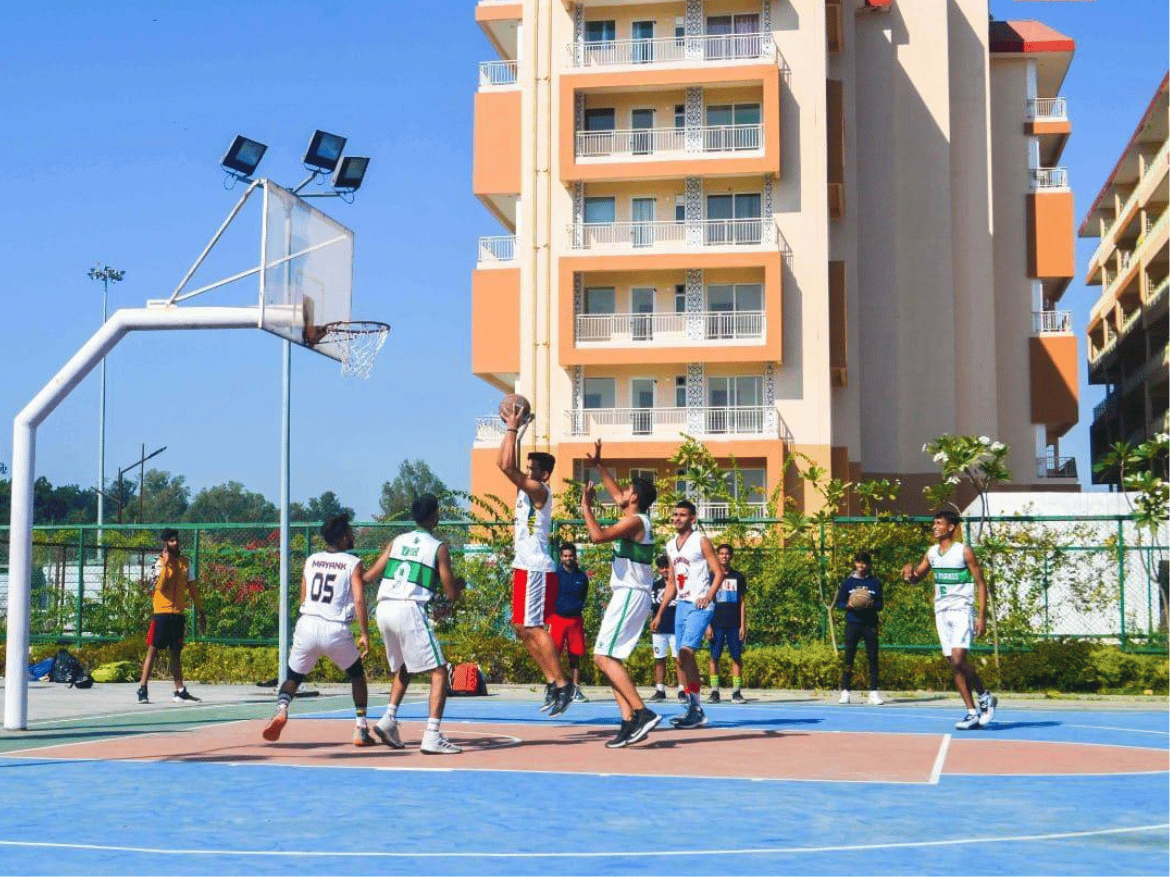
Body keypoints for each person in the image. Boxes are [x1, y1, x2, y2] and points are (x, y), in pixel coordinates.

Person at [364, 494, 466, 755]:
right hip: (409, 608)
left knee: (403, 667)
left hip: (384, 607)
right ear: (435, 515)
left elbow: (370, 575)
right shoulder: (438, 546)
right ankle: (432, 735)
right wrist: (460, 586)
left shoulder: (397, 541)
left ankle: (388, 719)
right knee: (440, 672)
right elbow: (451, 594)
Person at [262, 515, 373, 746]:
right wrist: (364, 633)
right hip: (335, 628)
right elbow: (360, 600)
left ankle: (281, 709)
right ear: (343, 537)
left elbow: (303, 595)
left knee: (293, 676)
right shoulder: (352, 562)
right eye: (350, 532)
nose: (352, 536)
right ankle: (361, 728)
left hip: (308, 623)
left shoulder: (312, 560)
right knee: (357, 675)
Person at [580, 440, 661, 748]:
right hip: (630, 593)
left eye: (627, 490)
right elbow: (616, 494)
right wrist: (600, 466)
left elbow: (597, 536)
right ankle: (628, 722)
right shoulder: (635, 515)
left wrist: (586, 506)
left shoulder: (635, 521)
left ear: (635, 497)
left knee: (601, 656)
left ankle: (642, 711)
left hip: (631, 592)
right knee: (610, 657)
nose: (620, 494)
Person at [497, 402, 575, 717]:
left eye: (531, 470)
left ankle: (563, 683)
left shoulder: (539, 491)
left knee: (534, 626)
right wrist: (513, 430)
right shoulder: (524, 487)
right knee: (520, 627)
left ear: (543, 474)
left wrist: (514, 428)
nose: (526, 472)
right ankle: (551, 681)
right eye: (526, 469)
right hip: (523, 565)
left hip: (536, 568)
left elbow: (506, 468)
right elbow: (504, 461)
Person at [903, 509, 998, 730]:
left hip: (962, 610)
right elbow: (917, 578)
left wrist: (982, 616)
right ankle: (972, 712)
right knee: (955, 665)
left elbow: (981, 583)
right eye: (934, 523)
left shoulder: (964, 552)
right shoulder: (932, 553)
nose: (934, 527)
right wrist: (909, 575)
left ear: (951, 527)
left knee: (958, 659)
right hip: (941, 612)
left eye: (938, 523)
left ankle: (984, 696)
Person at [652, 500, 723, 729]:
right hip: (681, 604)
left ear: (692, 518)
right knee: (682, 659)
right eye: (675, 514)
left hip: (700, 605)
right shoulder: (670, 545)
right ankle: (694, 707)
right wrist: (660, 613)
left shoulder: (700, 541)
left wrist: (709, 597)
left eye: (682, 515)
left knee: (685, 652)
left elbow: (719, 573)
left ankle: (697, 708)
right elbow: (672, 582)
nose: (677, 518)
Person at [137, 528, 205, 704]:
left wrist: (201, 611)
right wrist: (167, 564)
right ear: (165, 543)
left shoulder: (185, 563)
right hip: (161, 613)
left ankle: (179, 691)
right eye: (171, 541)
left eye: (177, 540)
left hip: (178, 614)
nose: (175, 543)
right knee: (153, 650)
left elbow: (193, 589)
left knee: (176, 652)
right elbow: (160, 587)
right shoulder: (159, 563)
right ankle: (142, 688)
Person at [834, 550, 884, 706]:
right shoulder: (848, 583)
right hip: (853, 623)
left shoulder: (875, 582)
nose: (861, 566)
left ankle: (873, 692)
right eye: (859, 562)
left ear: (868, 565)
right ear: (855, 563)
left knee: (873, 658)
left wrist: (872, 605)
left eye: (864, 563)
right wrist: (848, 605)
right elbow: (839, 602)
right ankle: (845, 691)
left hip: (869, 624)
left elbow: (880, 604)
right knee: (849, 657)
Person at [706, 543, 747, 704]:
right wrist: (707, 625)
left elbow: (743, 603)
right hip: (716, 623)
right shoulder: (710, 577)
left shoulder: (738, 577)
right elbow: (706, 602)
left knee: (736, 658)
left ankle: (736, 692)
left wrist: (743, 625)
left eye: (727, 554)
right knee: (714, 657)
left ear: (731, 556)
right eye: (721, 553)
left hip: (734, 625)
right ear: (717, 556)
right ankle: (714, 691)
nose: (724, 556)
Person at [550, 542, 590, 702]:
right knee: (553, 655)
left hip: (575, 620)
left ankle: (575, 690)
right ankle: (557, 688)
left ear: (575, 557)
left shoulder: (582, 577)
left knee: (575, 657)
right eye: (565, 556)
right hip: (557, 619)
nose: (568, 558)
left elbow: (583, 597)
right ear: (561, 558)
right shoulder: (555, 575)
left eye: (571, 556)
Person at [649, 554, 686, 703]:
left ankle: (682, 690)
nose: (665, 570)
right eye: (661, 567)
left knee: (679, 660)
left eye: (667, 566)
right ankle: (660, 690)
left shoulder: (681, 583)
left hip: (676, 627)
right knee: (659, 659)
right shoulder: (655, 585)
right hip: (659, 628)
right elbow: (652, 607)